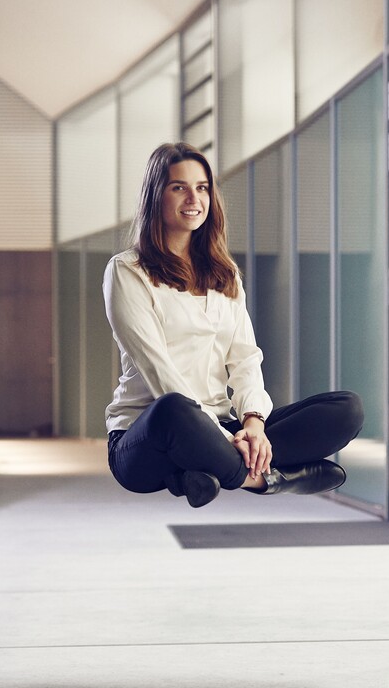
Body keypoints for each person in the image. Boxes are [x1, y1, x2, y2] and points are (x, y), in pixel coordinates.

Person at [103, 142, 363, 508]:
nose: (194, 198)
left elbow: (244, 359)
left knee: (345, 409)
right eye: (179, 187)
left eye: (202, 187)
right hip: (148, 436)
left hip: (223, 428)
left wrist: (253, 424)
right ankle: (262, 480)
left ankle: (203, 471)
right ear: (155, 196)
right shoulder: (127, 271)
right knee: (174, 408)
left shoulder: (224, 275)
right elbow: (157, 371)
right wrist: (222, 438)